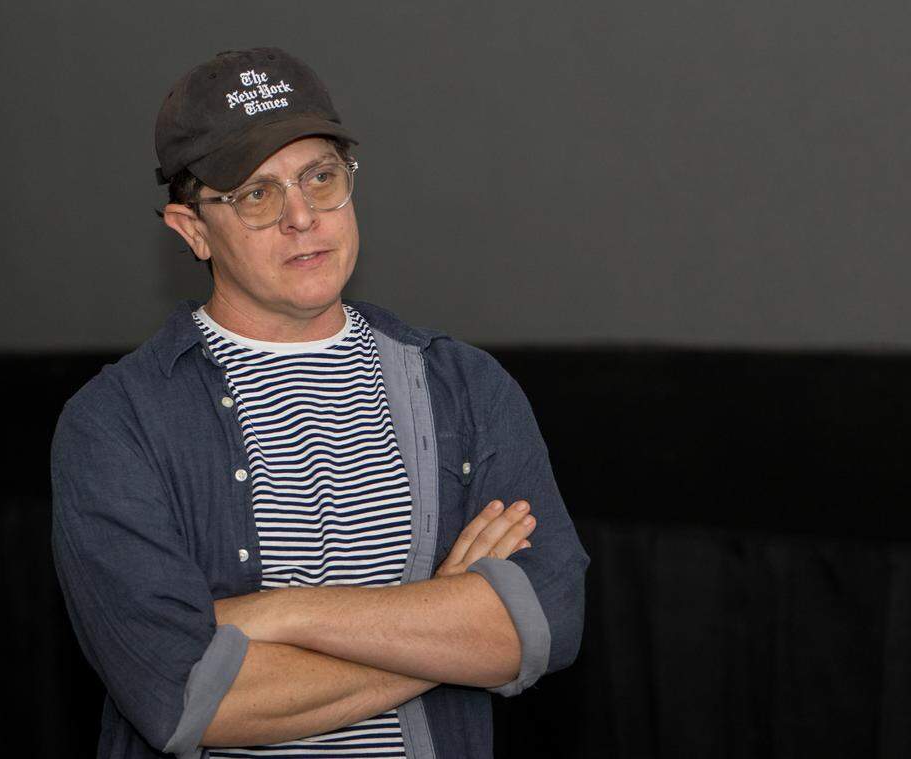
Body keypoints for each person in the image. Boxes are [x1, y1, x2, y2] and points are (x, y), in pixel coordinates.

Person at [50, 47, 589, 759]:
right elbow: (189, 698)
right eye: (257, 193)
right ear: (191, 229)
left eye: (320, 177)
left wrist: (274, 614)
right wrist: (441, 620)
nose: (302, 216)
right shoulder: (116, 422)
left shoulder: (466, 386)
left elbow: (542, 625)